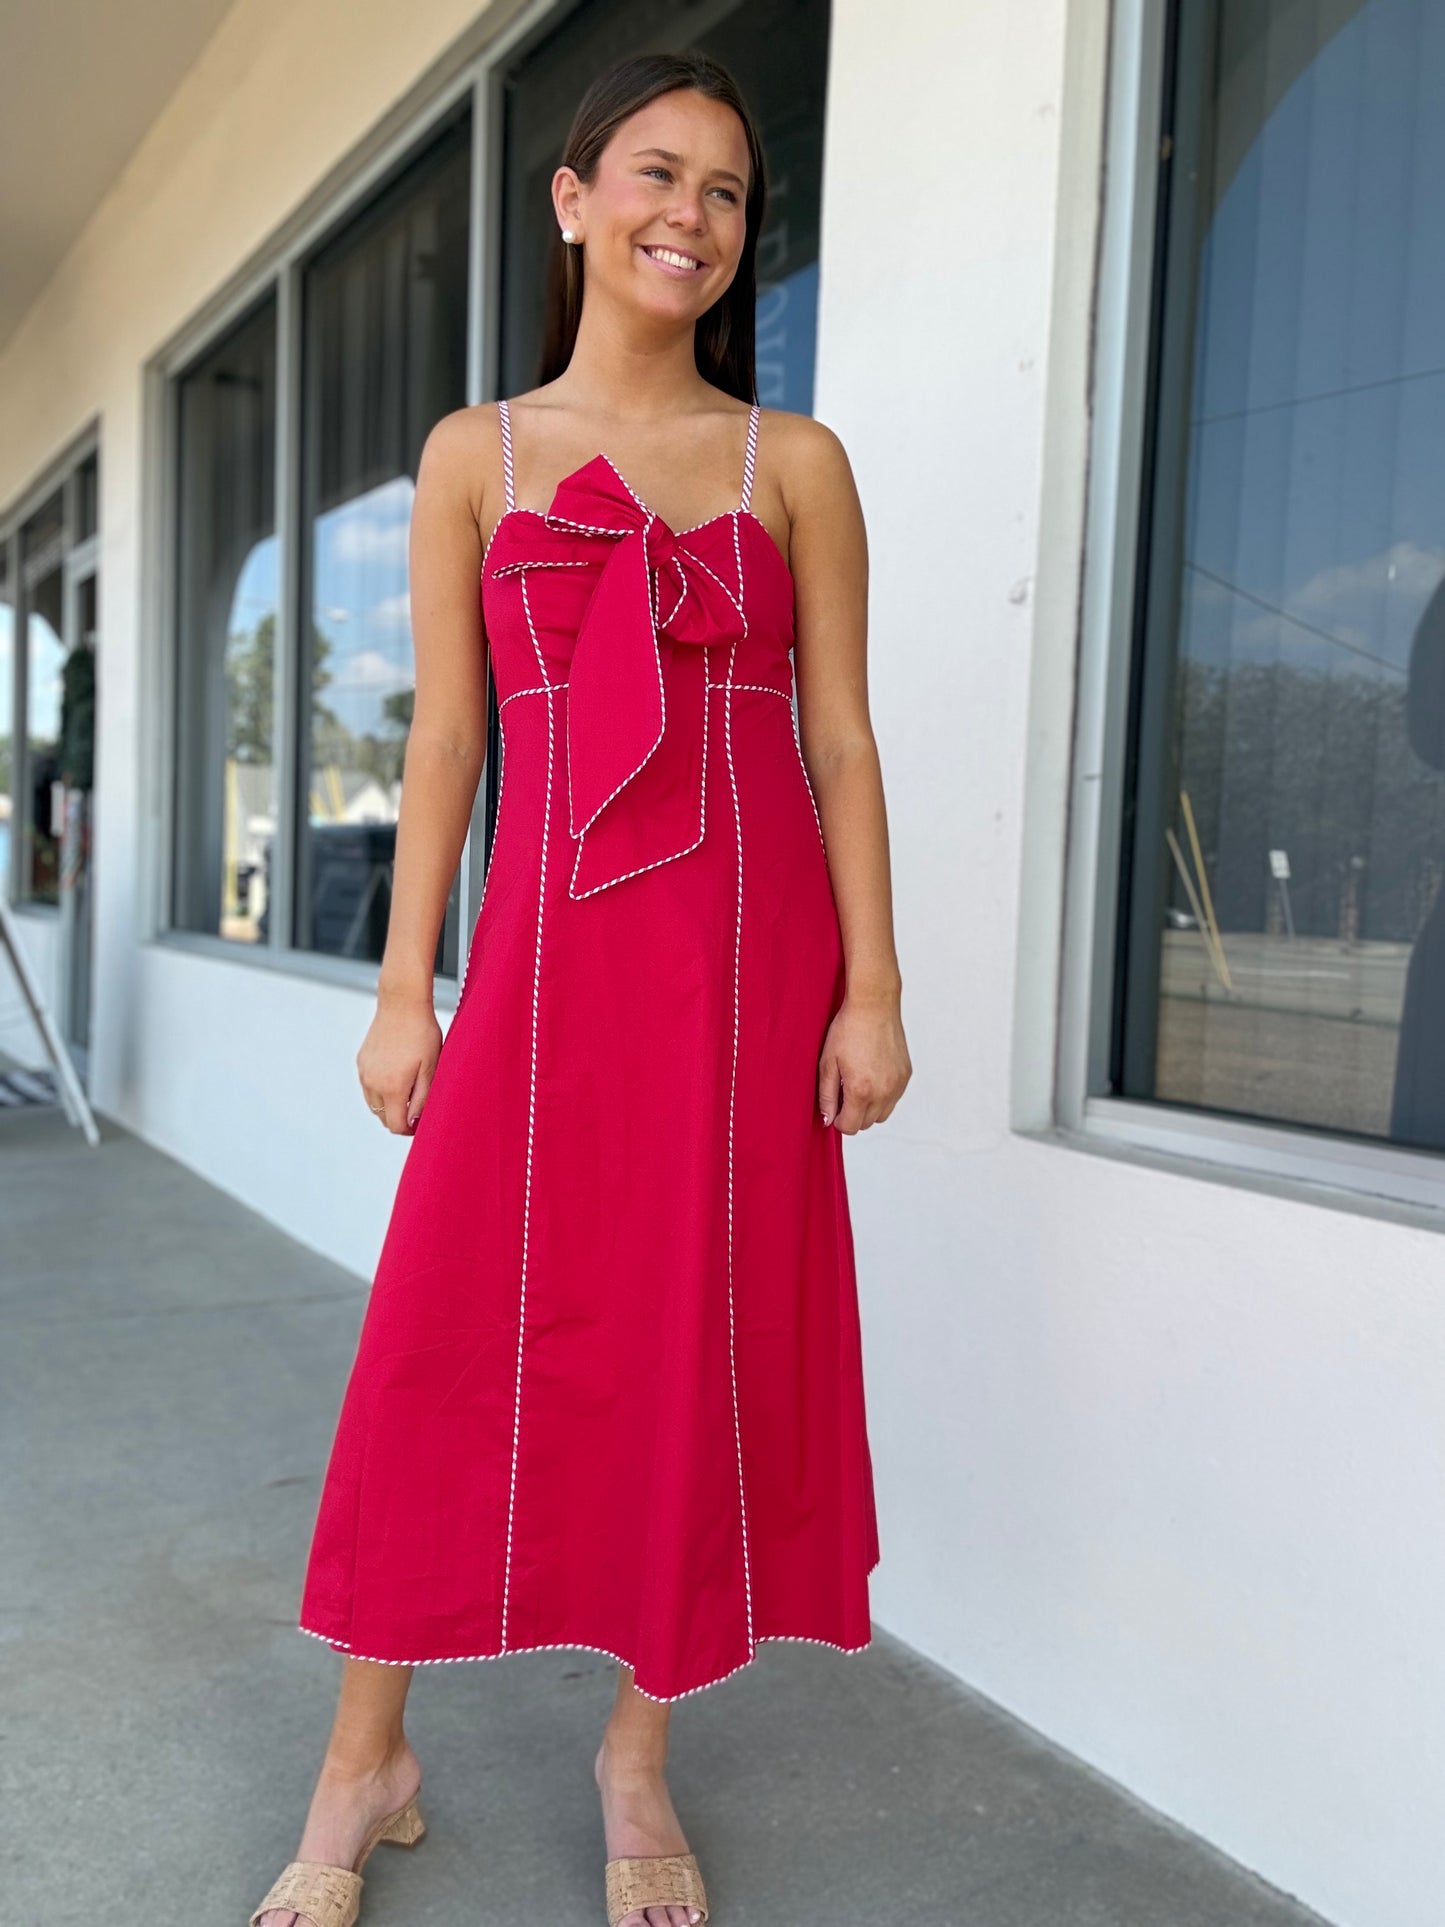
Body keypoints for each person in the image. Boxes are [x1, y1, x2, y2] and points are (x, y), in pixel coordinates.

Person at [251, 47, 911, 1927]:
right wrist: (405, 988)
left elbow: (841, 743)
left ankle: (636, 1756)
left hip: (748, 979)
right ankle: (363, 1759)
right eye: (654, 173)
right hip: (541, 979)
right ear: (572, 199)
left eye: (726, 191)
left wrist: (872, 988)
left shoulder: (795, 465)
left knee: (696, 1349)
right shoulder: (476, 455)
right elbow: (445, 745)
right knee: (443, 1344)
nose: (689, 215)